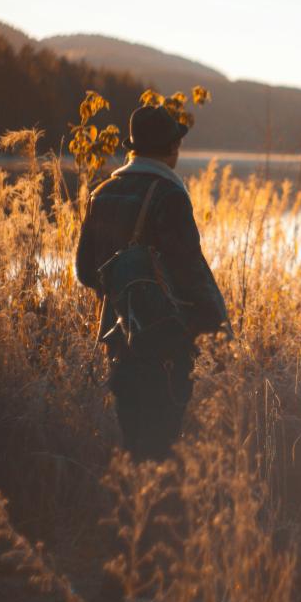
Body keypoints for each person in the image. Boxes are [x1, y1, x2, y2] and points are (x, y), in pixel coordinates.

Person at [74, 105, 229, 461]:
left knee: (133, 445)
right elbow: (191, 274)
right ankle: (160, 514)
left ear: (133, 147)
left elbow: (85, 271)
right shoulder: (170, 196)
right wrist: (220, 333)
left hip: (118, 340)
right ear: (173, 147)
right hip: (166, 345)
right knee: (162, 447)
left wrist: (124, 285)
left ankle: (135, 513)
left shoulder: (102, 193)